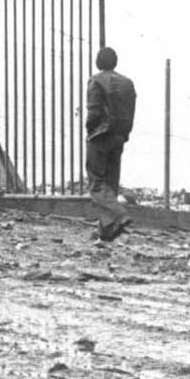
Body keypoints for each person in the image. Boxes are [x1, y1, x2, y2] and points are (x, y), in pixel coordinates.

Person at [85, 46, 137, 241]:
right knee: (111, 183)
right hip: (119, 136)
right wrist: (124, 134)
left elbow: (94, 111)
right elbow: (132, 111)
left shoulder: (96, 80)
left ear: (99, 62)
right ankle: (106, 231)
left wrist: (90, 129)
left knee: (97, 183)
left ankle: (120, 216)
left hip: (100, 135)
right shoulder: (127, 83)